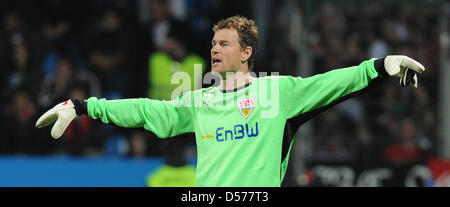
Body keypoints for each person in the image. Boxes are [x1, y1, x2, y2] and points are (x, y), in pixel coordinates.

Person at [35, 16, 425, 187]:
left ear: (247, 52)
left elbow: (332, 83)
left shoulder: (277, 93)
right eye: (212, 43)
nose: (214, 49)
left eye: (224, 43)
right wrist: (84, 107)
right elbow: (148, 111)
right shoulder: (200, 101)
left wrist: (379, 65)